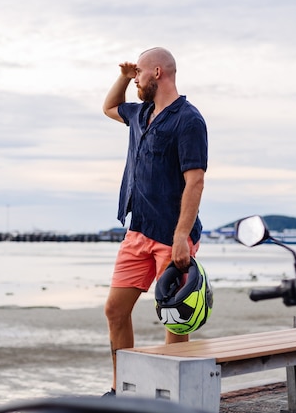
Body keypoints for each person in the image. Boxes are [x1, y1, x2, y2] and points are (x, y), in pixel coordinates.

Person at [101, 47, 208, 397]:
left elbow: (195, 181)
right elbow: (108, 107)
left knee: (175, 319)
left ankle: (175, 397)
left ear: (158, 72)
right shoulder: (141, 113)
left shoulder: (188, 119)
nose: (135, 81)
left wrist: (181, 236)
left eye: (138, 75)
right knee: (115, 310)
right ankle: (122, 391)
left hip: (171, 237)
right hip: (138, 231)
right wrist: (122, 74)